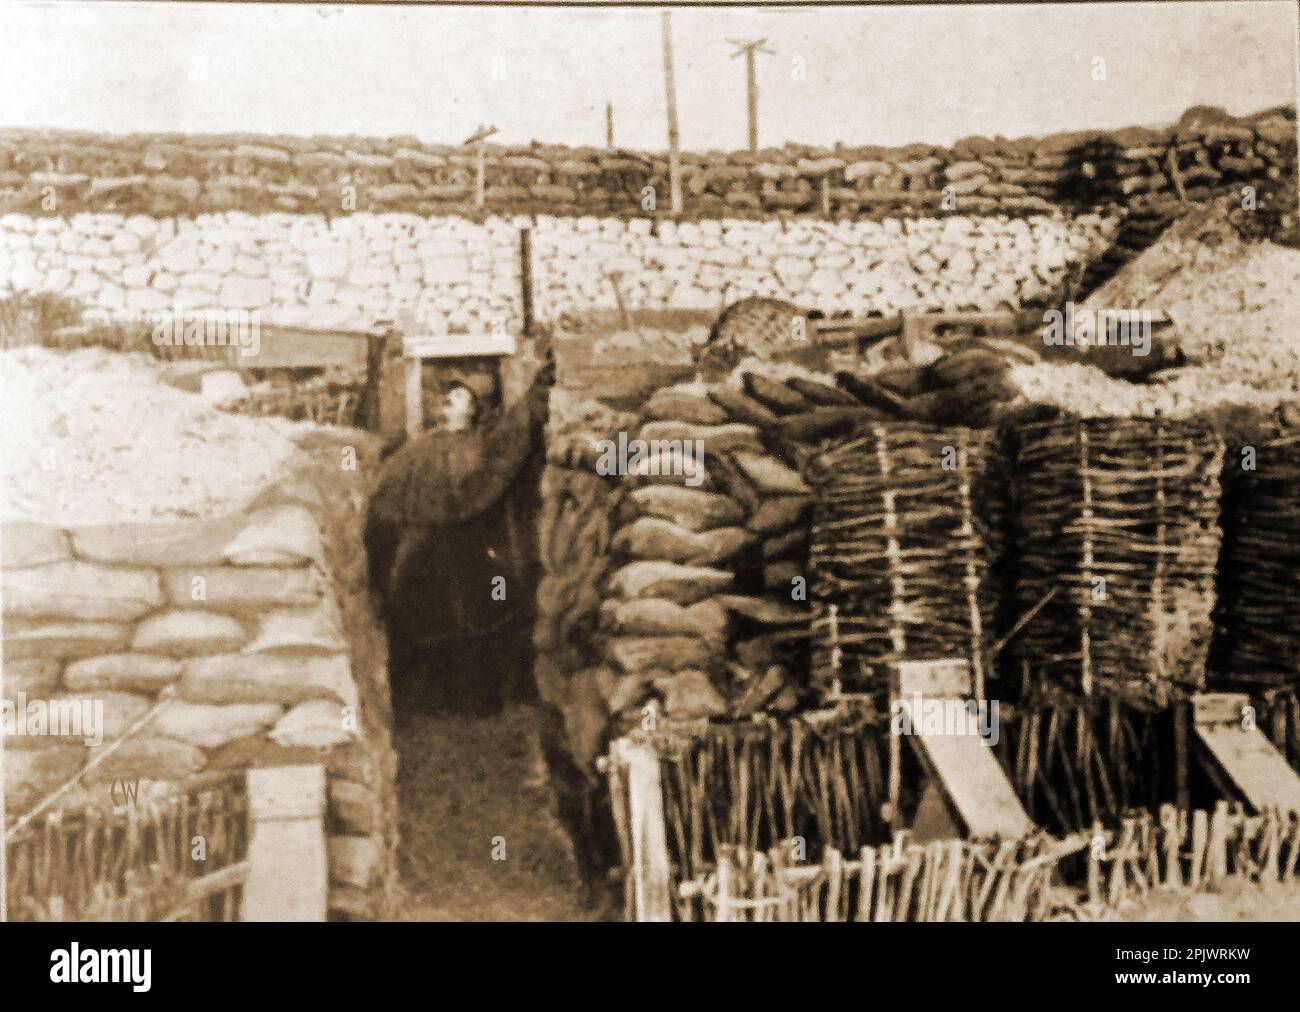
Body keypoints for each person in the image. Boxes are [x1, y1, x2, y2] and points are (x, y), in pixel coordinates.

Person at [366, 355, 552, 719]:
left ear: (475, 408)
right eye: (447, 394)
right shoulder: (418, 447)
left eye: (461, 395)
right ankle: (423, 702)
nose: (450, 398)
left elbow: (511, 441)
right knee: (413, 606)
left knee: (484, 610)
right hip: (425, 547)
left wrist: (537, 392)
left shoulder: (483, 444)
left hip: (470, 547)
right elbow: (387, 497)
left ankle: (481, 699)